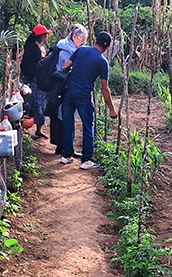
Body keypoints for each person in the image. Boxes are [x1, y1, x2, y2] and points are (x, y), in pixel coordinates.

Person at [60, 31, 118, 170]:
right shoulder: (102, 62)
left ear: (95, 39)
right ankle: (86, 160)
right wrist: (111, 108)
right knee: (87, 126)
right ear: (108, 47)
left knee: (68, 123)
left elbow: (65, 66)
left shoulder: (80, 50)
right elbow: (105, 88)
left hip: (69, 93)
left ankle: (66, 156)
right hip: (84, 96)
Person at [46, 24, 87, 157]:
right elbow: (66, 69)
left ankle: (61, 146)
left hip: (60, 86)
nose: (84, 44)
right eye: (82, 41)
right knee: (64, 116)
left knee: (60, 115)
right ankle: (64, 147)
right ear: (74, 37)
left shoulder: (64, 46)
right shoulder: (67, 51)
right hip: (63, 87)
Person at [19, 24, 52, 139]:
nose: (47, 37)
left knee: (40, 103)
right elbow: (24, 64)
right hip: (32, 79)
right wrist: (30, 75)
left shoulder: (43, 47)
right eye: (46, 35)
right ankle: (24, 129)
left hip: (41, 79)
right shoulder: (32, 47)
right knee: (29, 103)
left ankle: (39, 129)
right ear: (42, 36)